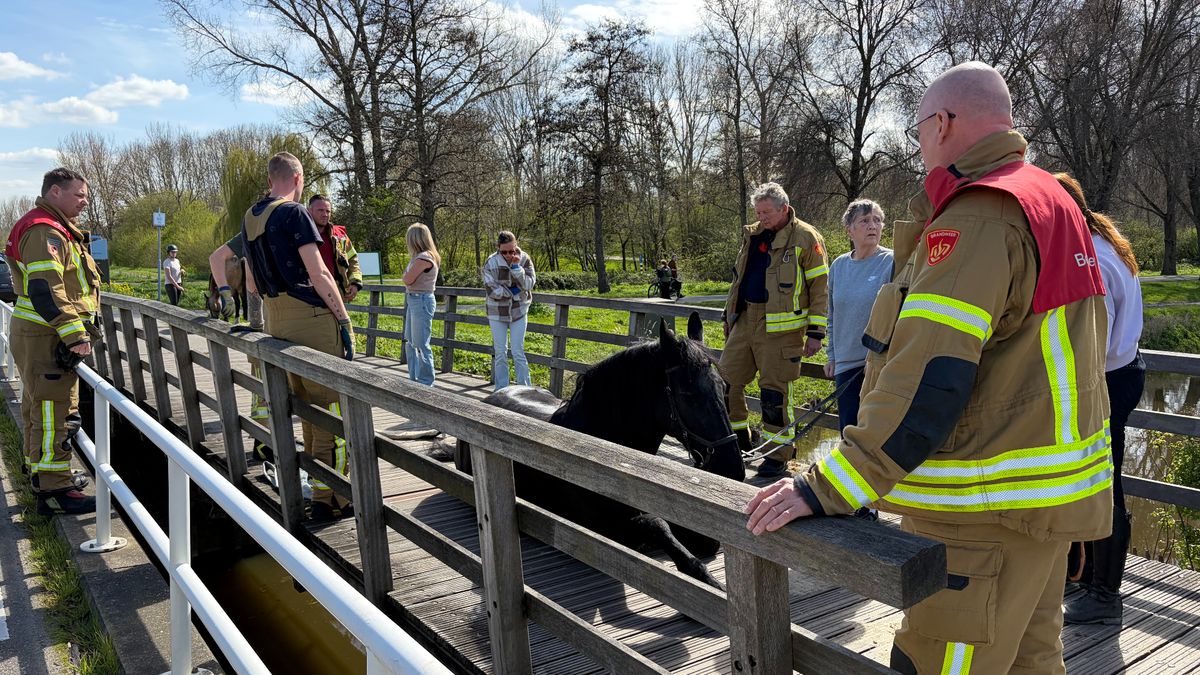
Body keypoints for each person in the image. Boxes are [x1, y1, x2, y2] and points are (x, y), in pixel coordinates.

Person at [744, 62, 1111, 675]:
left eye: (918, 130)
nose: (918, 146)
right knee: (1031, 663)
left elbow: (929, 376)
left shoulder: (980, 214)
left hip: (983, 513)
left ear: (942, 122)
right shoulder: (1049, 198)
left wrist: (828, 485)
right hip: (1046, 508)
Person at [241, 152, 355, 522]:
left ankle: (321, 487)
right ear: (298, 177)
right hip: (310, 317)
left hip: (276, 317)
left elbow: (252, 282)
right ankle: (333, 496)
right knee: (331, 408)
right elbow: (320, 272)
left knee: (305, 408)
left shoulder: (251, 216)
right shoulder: (294, 213)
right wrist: (343, 319)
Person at [1057, 172, 1146, 626]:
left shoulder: (1087, 256)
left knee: (1103, 483)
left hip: (1106, 378)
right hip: (1126, 370)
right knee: (1101, 477)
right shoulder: (1110, 244)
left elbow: (1094, 337)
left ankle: (1104, 594)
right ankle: (1086, 578)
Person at [5, 167, 102, 515]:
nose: (85, 202)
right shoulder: (44, 230)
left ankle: (42, 472)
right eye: (79, 195)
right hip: (47, 336)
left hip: (41, 334)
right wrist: (74, 334)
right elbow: (47, 287)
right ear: (55, 192)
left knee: (40, 406)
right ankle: (55, 488)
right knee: (53, 410)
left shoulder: (52, 227)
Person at [719, 182, 829, 478]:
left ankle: (777, 456)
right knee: (726, 381)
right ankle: (739, 441)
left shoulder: (806, 237)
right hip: (745, 321)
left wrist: (816, 331)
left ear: (784, 208)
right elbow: (737, 279)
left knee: (774, 394)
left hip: (782, 329)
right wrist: (730, 316)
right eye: (757, 212)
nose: (761, 217)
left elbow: (821, 287)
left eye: (766, 212)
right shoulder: (752, 234)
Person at [824, 199, 893, 432]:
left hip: (879, 364)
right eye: (864, 221)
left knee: (875, 433)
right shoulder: (838, 266)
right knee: (849, 430)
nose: (873, 226)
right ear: (849, 229)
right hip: (845, 364)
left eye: (877, 220)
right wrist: (832, 355)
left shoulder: (892, 262)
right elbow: (832, 316)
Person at [482, 231, 536, 391]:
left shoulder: (525, 259)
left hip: (519, 311)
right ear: (498, 248)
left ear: (516, 245)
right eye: (504, 251)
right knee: (500, 352)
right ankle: (501, 390)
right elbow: (492, 291)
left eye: (511, 251)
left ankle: (524, 390)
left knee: (518, 351)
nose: (508, 254)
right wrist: (513, 291)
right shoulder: (490, 263)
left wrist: (516, 268)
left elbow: (529, 284)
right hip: (496, 312)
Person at [402, 223, 440, 387]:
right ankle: (414, 378)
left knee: (420, 343)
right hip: (414, 299)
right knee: (410, 341)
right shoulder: (419, 257)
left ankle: (426, 381)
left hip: (421, 300)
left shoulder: (424, 257)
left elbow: (407, 279)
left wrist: (405, 277)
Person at [307, 195, 363, 303]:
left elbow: (353, 259)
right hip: (309, 296)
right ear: (309, 211)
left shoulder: (339, 235)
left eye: (328, 211)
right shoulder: (300, 235)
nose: (325, 214)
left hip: (337, 294)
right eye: (320, 210)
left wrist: (355, 283)